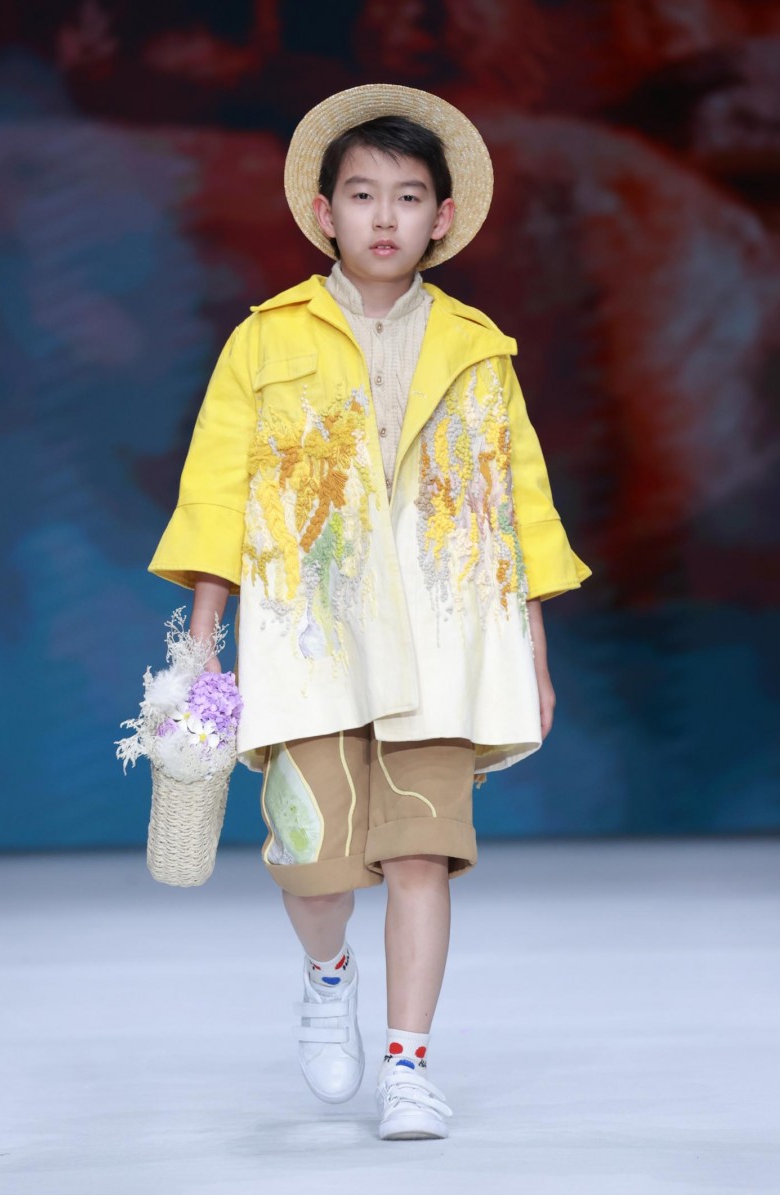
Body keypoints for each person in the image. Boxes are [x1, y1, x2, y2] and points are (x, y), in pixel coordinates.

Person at [147, 83, 592, 1141]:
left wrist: (532, 655)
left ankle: (408, 1067)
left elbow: (520, 509)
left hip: (444, 638)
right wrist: (201, 654)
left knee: (421, 856)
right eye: (361, 195)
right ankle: (327, 973)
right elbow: (216, 494)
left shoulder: (479, 348)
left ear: (443, 217)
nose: (383, 217)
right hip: (313, 639)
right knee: (312, 866)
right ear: (323, 211)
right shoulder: (265, 341)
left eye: (407, 196)